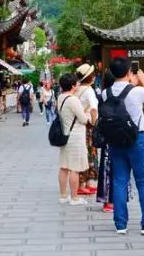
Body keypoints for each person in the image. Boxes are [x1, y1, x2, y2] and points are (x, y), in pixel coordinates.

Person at [103, 56, 144, 236]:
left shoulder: (105, 93)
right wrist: (143, 81)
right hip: (136, 139)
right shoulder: (136, 91)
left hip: (115, 140)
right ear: (129, 72)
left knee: (119, 181)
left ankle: (120, 224)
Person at [56, 73, 90, 205]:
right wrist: (87, 113)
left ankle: (63, 196)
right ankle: (74, 198)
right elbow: (83, 119)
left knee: (64, 166)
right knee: (75, 168)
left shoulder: (60, 97)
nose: (78, 85)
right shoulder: (73, 99)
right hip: (75, 137)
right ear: (72, 85)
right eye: (76, 83)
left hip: (65, 135)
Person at [95, 70, 117, 213]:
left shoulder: (103, 94)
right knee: (115, 169)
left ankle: (106, 200)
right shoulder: (116, 94)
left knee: (106, 167)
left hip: (107, 136)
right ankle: (111, 201)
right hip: (117, 136)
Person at [76, 64, 100, 195]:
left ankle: (86, 183)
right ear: (90, 77)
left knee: (84, 153)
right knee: (90, 154)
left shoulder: (77, 89)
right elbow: (94, 109)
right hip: (89, 126)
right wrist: (95, 123)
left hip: (79, 125)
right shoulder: (89, 91)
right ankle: (83, 184)